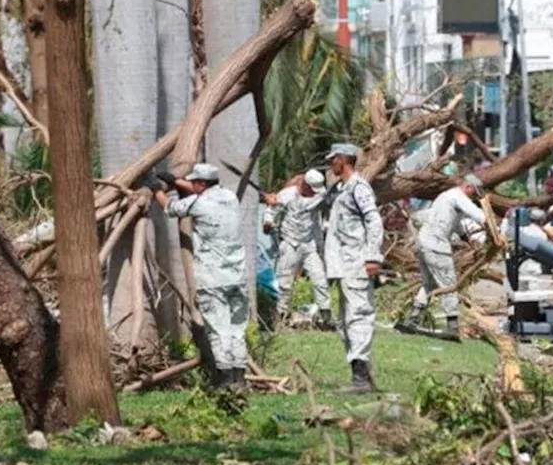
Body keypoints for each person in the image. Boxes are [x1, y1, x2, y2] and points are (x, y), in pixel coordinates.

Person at [154, 163, 248, 389]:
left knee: (218, 330)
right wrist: (176, 181)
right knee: (237, 330)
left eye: (194, 182)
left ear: (202, 184)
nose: (192, 185)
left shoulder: (199, 203)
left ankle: (225, 381)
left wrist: (155, 189)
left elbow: (170, 208)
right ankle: (240, 378)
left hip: (213, 278)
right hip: (237, 276)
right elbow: (201, 189)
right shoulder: (230, 197)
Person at [323, 143, 383, 394]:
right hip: (343, 264)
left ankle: (360, 380)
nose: (330, 165)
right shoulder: (341, 190)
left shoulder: (360, 188)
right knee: (345, 322)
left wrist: (372, 257)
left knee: (358, 316)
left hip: (357, 262)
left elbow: (374, 219)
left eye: (333, 160)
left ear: (343, 160)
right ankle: (361, 374)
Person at [397, 175, 487, 340]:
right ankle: (452, 326)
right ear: (468, 187)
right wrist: (487, 221)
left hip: (424, 242)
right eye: (474, 193)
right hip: (436, 246)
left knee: (429, 284)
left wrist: (467, 239)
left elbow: (456, 224)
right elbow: (474, 212)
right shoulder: (458, 197)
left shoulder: (446, 196)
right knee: (450, 285)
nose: (473, 197)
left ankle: (413, 318)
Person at [264, 169, 332, 328]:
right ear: (304, 185)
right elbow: (271, 211)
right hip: (290, 243)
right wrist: (268, 222)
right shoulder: (287, 195)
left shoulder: (318, 196)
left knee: (320, 280)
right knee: (285, 283)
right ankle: (281, 317)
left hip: (309, 244)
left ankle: (326, 317)